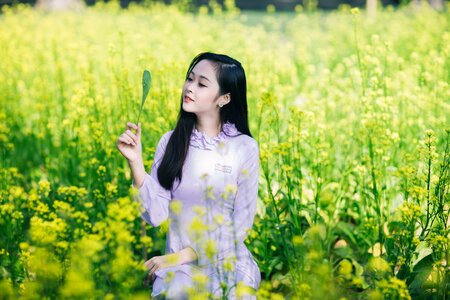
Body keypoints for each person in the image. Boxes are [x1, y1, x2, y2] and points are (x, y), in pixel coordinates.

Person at [116, 52, 260, 299]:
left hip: (228, 263)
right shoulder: (171, 141)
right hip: (180, 270)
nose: (190, 88)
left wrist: (180, 255)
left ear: (224, 98)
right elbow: (156, 214)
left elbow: (240, 227)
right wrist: (135, 163)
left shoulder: (244, 147)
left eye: (202, 84)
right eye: (189, 79)